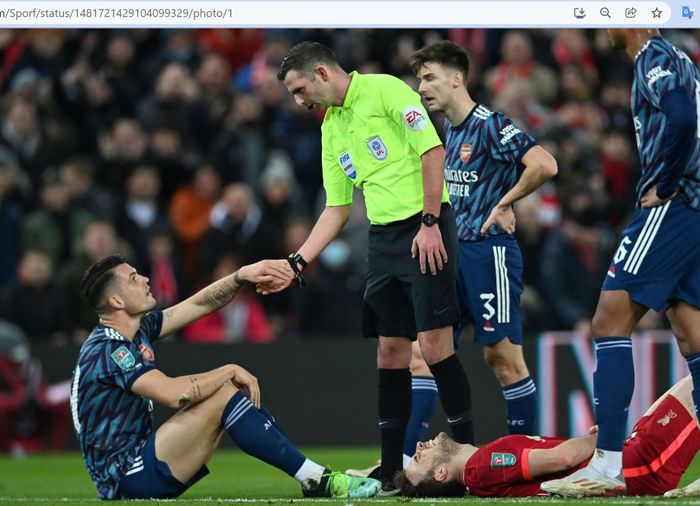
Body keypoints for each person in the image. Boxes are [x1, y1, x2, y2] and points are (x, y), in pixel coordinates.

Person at [276, 41, 475, 495]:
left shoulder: (385, 91)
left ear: (323, 73)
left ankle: (467, 455)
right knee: (389, 351)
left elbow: (432, 152)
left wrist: (428, 222)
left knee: (435, 344)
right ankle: (390, 470)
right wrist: (298, 261)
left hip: (425, 224)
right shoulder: (331, 128)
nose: (299, 101)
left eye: (300, 88)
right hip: (383, 239)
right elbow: (337, 208)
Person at [70, 253, 380, 500]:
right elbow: (172, 393)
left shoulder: (135, 331)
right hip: (128, 476)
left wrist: (240, 276)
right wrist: (227, 370)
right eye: (134, 279)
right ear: (116, 302)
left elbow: (199, 303)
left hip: (140, 465)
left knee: (228, 394)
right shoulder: (109, 349)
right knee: (222, 391)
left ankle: (314, 476)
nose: (146, 279)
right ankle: (317, 479)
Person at [540, 29, 700, 497]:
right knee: (692, 334)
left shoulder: (654, 55)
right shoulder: (678, 57)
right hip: (693, 211)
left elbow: (682, 115)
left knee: (609, 319)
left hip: (674, 207)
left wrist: (666, 181)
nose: (602, 24)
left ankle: (608, 464)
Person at [409, 40, 558, 435]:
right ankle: (401, 462)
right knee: (424, 352)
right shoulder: (449, 129)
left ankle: (523, 457)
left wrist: (506, 202)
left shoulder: (491, 124)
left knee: (502, 357)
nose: (421, 87)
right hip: (452, 254)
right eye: (419, 79)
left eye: (429, 77)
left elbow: (545, 164)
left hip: (488, 252)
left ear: (457, 78)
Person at [395, 375, 700, 498]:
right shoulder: (481, 467)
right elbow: (562, 458)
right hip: (639, 465)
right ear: (441, 473)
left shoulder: (481, 469)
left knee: (693, 381)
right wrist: (601, 438)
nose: (419, 446)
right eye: (420, 458)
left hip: (630, 461)